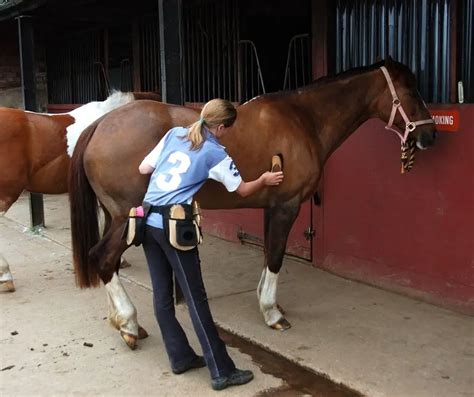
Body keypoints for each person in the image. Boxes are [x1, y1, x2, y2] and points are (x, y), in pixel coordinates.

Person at [138, 98, 284, 391]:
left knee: (163, 295)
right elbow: (242, 191)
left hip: (146, 220)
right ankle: (221, 371)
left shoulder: (173, 134)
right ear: (219, 127)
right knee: (196, 298)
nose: (228, 133)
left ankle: (180, 357)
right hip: (174, 227)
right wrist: (264, 180)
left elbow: (144, 168)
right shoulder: (215, 152)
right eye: (228, 128)